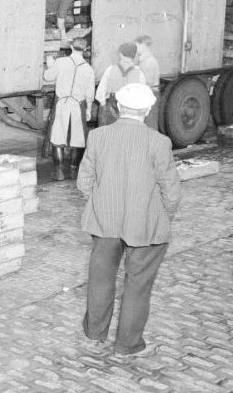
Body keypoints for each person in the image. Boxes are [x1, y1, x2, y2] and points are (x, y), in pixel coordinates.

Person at [77, 82, 181, 358]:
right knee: (137, 284)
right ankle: (128, 345)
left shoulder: (98, 136)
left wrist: (100, 205)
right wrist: (161, 215)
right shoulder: (158, 142)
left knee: (100, 278)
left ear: (118, 108)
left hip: (104, 221)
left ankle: (94, 333)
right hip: (143, 224)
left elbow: (84, 181)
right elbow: (171, 190)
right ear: (147, 110)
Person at [43, 38, 95, 180]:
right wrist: (89, 109)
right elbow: (90, 93)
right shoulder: (88, 69)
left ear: (71, 46)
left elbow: (48, 77)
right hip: (78, 105)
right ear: (85, 49)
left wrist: (50, 64)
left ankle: (59, 172)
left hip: (62, 104)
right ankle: (74, 170)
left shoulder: (61, 62)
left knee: (57, 136)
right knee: (78, 138)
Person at [95, 43, 145, 126]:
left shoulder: (110, 69)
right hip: (131, 111)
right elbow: (142, 98)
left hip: (111, 108)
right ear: (134, 55)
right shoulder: (140, 74)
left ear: (120, 54)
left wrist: (104, 106)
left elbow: (99, 94)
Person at [134, 36, 162, 130]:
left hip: (150, 94)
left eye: (138, 45)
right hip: (147, 93)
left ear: (145, 45)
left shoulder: (149, 61)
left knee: (150, 124)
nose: (136, 47)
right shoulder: (143, 60)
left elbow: (147, 81)